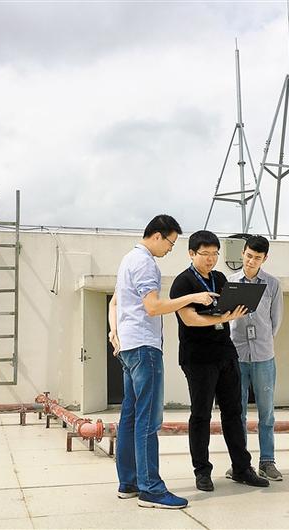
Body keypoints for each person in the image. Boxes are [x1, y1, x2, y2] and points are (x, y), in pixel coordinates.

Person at [108, 215, 218, 510]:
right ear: (157, 235)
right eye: (170, 242)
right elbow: (154, 307)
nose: (170, 249)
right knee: (148, 419)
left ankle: (129, 482)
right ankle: (151, 489)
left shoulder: (127, 259)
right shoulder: (145, 263)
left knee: (131, 416)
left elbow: (116, 303)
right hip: (145, 348)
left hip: (129, 347)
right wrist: (193, 297)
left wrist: (114, 332)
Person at [169, 230, 269, 492]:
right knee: (201, 414)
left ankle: (242, 468)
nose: (211, 259)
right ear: (191, 254)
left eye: (215, 254)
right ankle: (202, 472)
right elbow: (189, 319)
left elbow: (227, 307)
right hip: (198, 357)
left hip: (226, 352)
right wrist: (223, 318)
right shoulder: (182, 283)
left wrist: (235, 310)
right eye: (205, 254)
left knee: (234, 413)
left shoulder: (220, 278)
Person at [226, 235, 284, 481]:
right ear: (242, 253)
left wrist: (263, 341)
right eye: (248, 256)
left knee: (266, 413)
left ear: (264, 259)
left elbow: (275, 321)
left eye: (257, 258)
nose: (251, 261)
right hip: (237, 355)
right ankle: (240, 464)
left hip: (263, 356)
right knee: (237, 413)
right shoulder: (229, 282)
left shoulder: (273, 284)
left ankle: (267, 461)